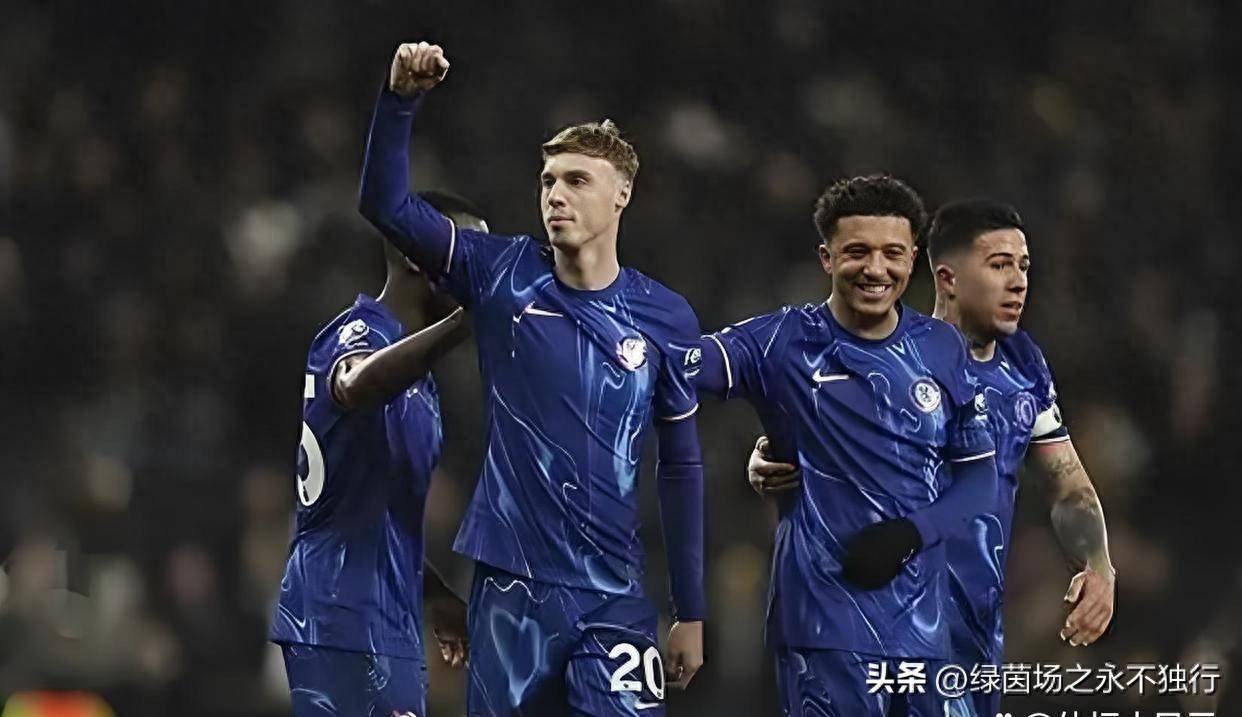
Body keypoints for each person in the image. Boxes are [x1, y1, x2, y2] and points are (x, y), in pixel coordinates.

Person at [358, 42, 706, 716]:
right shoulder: (502, 273)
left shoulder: (667, 316)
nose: (555, 195)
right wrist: (399, 103)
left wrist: (690, 609)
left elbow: (682, 464)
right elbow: (386, 206)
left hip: (614, 592)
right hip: (512, 586)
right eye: (547, 181)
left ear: (622, 194)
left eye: (576, 180)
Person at [748, 198, 1116, 716]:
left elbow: (1067, 481)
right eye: (1000, 265)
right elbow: (806, 425)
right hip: (870, 622)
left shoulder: (1024, 366)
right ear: (947, 278)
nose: (1019, 282)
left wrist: (1098, 563)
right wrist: (770, 456)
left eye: (1024, 266)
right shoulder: (887, 355)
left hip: (974, 639)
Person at [697, 175, 997, 716]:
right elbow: (677, 370)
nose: (876, 269)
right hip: (825, 624)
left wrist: (911, 533)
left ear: (913, 259)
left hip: (925, 629)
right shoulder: (782, 341)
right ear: (827, 258)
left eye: (892, 254)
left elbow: (979, 478)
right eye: (857, 251)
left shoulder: (942, 347)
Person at [269, 190, 485, 716]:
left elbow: (369, 512)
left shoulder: (420, 382)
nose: (479, 273)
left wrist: (432, 592)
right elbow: (353, 383)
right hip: (341, 612)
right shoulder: (358, 333)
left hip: (387, 616)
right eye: (467, 253)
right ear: (415, 255)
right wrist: (467, 320)